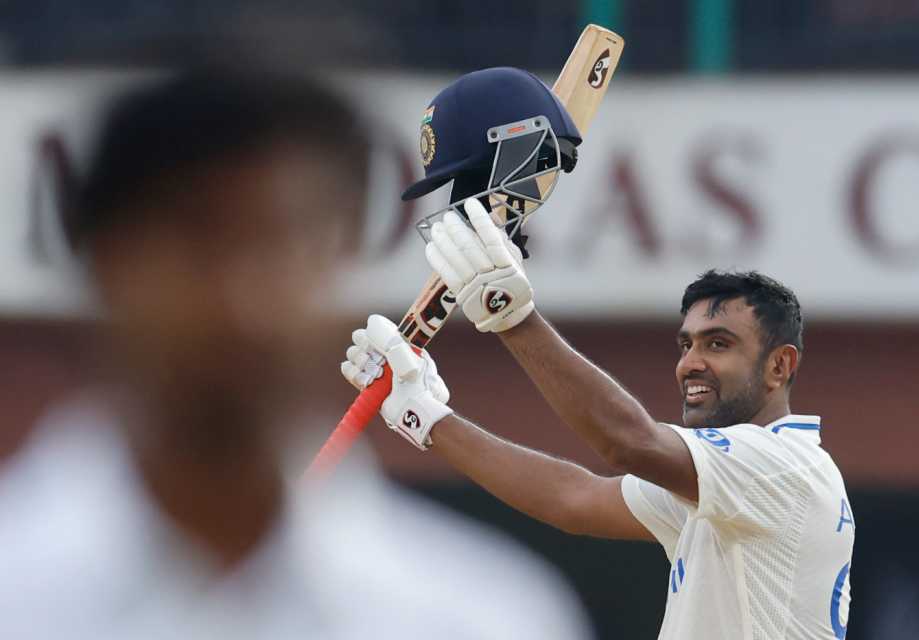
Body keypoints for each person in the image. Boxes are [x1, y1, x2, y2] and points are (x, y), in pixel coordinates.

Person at [0, 70, 591, 640]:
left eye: (281, 242)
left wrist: (451, 399)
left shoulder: (483, 616)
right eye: (200, 240)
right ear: (101, 261)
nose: (244, 300)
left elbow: (610, 471)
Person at [344, 211, 856, 636]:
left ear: (780, 366)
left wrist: (512, 317)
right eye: (687, 344)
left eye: (718, 344)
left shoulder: (778, 467)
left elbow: (629, 443)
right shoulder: (736, 483)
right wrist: (427, 416)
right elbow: (574, 498)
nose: (691, 363)